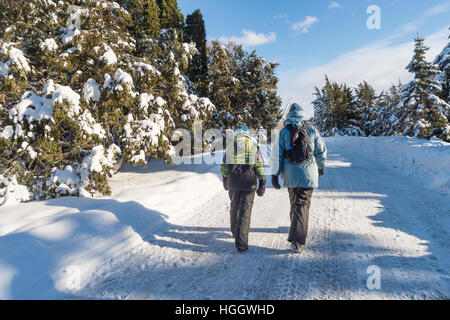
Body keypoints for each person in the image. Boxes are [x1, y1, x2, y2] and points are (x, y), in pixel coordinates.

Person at [271, 103, 327, 253]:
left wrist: (274, 175)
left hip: (290, 174)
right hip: (308, 174)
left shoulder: (284, 132)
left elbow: (277, 155)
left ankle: (296, 230)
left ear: (289, 115)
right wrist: (321, 166)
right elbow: (321, 151)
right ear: (303, 114)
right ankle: (297, 240)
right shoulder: (311, 130)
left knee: (294, 202)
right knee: (302, 204)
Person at [221, 123, 266, 253]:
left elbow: (224, 166)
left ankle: (235, 232)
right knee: (245, 212)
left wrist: (225, 180)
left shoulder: (230, 147)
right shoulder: (253, 146)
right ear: (247, 134)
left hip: (233, 183)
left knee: (234, 206)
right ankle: (241, 243)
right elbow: (259, 166)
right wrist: (262, 182)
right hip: (249, 183)